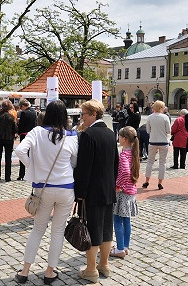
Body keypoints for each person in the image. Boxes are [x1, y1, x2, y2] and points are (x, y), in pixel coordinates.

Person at [14, 100, 78, 285]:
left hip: (43, 188)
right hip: (66, 187)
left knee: (37, 229)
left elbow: (19, 150)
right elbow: (74, 162)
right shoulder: (71, 135)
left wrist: (33, 166)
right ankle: (50, 272)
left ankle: (25, 271)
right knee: (57, 231)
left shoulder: (37, 132)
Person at [74, 99, 119, 283]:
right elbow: (115, 163)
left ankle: (91, 270)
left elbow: (84, 168)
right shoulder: (110, 133)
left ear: (93, 114)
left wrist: (79, 194)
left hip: (92, 191)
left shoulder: (88, 135)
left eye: (83, 114)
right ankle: (104, 265)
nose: (81, 118)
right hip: (108, 189)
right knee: (107, 229)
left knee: (92, 230)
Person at [110, 126, 139, 258]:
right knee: (126, 221)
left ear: (125, 139)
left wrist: (118, 185)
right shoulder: (133, 152)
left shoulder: (123, 155)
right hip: (131, 191)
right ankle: (126, 246)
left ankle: (120, 248)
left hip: (122, 192)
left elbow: (125, 171)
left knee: (117, 220)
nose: (118, 138)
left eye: (120, 136)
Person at [142, 101, 170, 190]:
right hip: (163, 142)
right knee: (162, 162)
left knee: (150, 162)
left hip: (153, 141)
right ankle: (160, 182)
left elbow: (148, 130)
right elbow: (168, 131)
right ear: (161, 107)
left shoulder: (150, 117)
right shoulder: (165, 117)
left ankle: (147, 181)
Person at [0, 100, 17, 182]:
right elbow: (15, 129)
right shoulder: (11, 117)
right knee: (8, 157)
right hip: (9, 139)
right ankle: (7, 177)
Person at [17, 99, 37, 180]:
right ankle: (32, 172)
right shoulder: (34, 112)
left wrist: (18, 132)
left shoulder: (24, 113)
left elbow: (21, 125)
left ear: (23, 106)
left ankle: (22, 174)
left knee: (23, 154)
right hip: (33, 135)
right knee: (31, 154)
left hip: (24, 135)